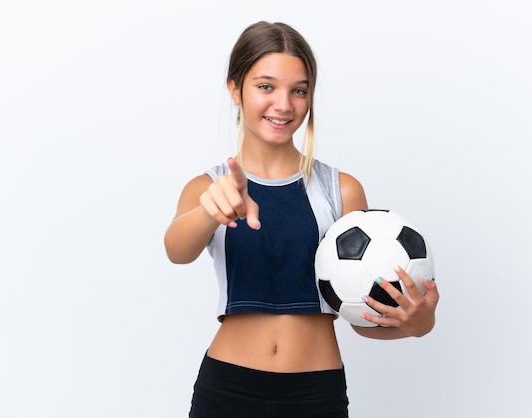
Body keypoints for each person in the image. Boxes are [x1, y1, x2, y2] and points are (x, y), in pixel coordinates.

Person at [164, 21, 439, 418]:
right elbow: (176, 249)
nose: (284, 104)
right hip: (227, 389)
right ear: (234, 88)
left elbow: (359, 314)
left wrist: (417, 324)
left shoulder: (340, 190)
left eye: (299, 90)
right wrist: (212, 207)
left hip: (316, 393)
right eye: (265, 86)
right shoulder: (209, 187)